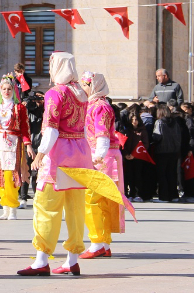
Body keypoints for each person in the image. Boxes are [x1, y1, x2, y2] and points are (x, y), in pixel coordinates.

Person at [18, 52, 93, 276]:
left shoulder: (55, 93)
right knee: (76, 208)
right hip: (80, 154)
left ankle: (42, 260)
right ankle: (73, 259)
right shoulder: (81, 93)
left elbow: (50, 127)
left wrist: (41, 154)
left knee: (46, 206)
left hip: (58, 154)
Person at [80, 72, 125, 259]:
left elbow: (102, 135)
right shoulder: (95, 105)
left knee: (92, 200)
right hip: (104, 156)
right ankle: (104, 243)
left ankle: (97, 242)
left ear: (92, 86)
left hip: (101, 158)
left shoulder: (100, 107)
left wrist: (97, 157)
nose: (82, 89)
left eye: (84, 85)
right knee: (103, 201)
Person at [0, 75, 32, 220]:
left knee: (11, 176)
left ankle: (13, 208)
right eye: (4, 89)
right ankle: (5, 209)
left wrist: (28, 144)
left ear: (13, 90)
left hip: (14, 143)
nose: (6, 91)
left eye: (9, 89)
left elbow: (25, 128)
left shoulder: (19, 108)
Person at [151, 104, 182, 203]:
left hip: (162, 151)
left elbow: (157, 136)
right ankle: (174, 195)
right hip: (174, 151)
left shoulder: (159, 122)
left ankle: (163, 196)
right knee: (172, 173)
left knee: (162, 174)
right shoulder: (175, 123)